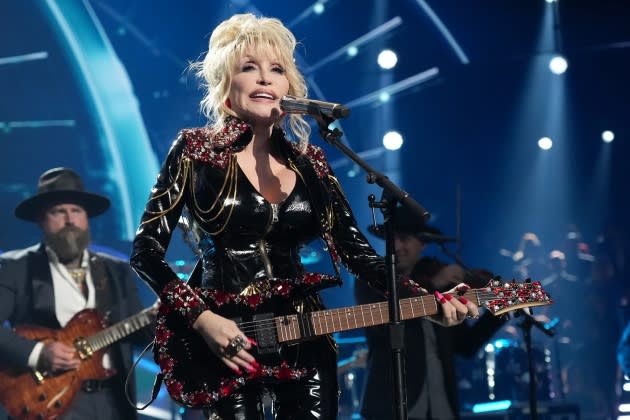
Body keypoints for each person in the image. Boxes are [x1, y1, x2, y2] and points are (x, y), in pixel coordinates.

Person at [129, 13, 479, 420]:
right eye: (249, 68)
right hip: (226, 340)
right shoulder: (195, 150)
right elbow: (146, 252)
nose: (264, 78)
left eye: (276, 69)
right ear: (227, 87)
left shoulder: (311, 163)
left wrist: (428, 300)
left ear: (288, 87)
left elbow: (358, 254)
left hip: (305, 335)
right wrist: (204, 319)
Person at [0, 167, 154, 419]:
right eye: (58, 212)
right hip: (47, 401)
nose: (70, 220)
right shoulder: (17, 267)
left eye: (76, 211)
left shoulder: (115, 270)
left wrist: (163, 315)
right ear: (41, 219)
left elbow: (139, 333)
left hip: (111, 401)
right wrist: (37, 353)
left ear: (86, 218)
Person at [355, 205, 507, 420]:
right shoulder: (372, 278)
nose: (397, 246)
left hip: (440, 406)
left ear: (423, 243)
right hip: (391, 407)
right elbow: (384, 326)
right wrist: (435, 285)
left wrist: (500, 310)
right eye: (392, 239)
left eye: (405, 238)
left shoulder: (440, 282)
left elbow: (465, 345)